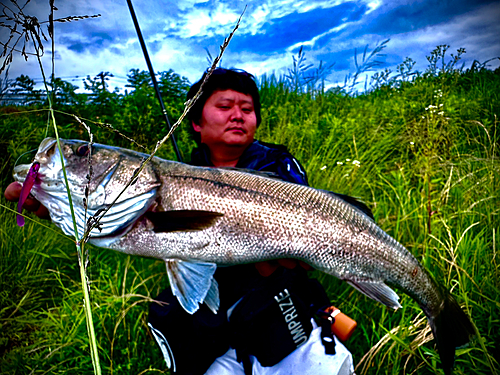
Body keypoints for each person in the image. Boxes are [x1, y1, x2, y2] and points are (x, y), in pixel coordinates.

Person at [5, 68, 355, 375]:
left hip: (290, 316)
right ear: (196, 123)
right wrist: (69, 207)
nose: (238, 115)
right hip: (224, 328)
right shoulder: (174, 174)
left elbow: (310, 245)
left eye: (247, 109)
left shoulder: (280, 169)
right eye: (224, 106)